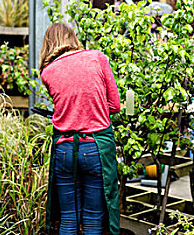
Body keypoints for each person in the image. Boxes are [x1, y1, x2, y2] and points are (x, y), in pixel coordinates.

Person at [40, 23, 121, 235]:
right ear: (72, 39)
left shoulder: (48, 72)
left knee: (68, 217)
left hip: (64, 150)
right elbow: (115, 106)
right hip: (94, 148)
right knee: (93, 216)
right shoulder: (96, 58)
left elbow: (67, 103)